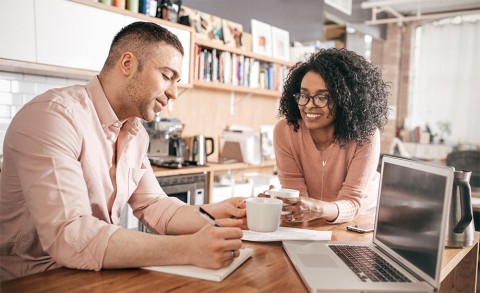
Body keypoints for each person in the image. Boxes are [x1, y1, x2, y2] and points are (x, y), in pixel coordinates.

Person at [0, 21, 247, 281]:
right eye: (166, 76)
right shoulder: (54, 116)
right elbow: (69, 235)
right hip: (31, 280)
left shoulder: (136, 133)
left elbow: (155, 206)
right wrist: (188, 249)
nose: (174, 93)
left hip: (94, 273)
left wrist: (218, 212)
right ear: (127, 64)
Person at [273, 48, 389, 224]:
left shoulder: (366, 135)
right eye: (304, 95)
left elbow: (352, 202)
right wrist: (281, 202)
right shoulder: (285, 131)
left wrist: (316, 209)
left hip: (359, 219)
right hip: (312, 220)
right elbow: (297, 199)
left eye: (322, 97)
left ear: (346, 100)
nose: (309, 106)